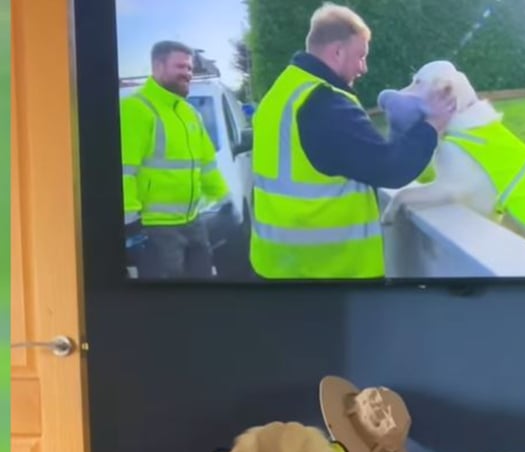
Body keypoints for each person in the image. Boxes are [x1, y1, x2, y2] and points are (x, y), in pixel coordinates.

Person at [249, 2, 457, 280]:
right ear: (337, 51)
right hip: (327, 274)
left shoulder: (280, 94)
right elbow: (390, 168)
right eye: (360, 56)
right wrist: (433, 125)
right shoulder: (323, 103)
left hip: (275, 264)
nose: (364, 68)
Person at [120, 40, 229, 279]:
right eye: (180, 67)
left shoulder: (190, 114)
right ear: (158, 66)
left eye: (189, 68)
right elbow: (124, 171)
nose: (187, 73)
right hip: (155, 230)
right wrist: (130, 224)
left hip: (193, 223)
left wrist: (225, 200)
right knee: (168, 304)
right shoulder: (136, 110)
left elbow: (207, 165)